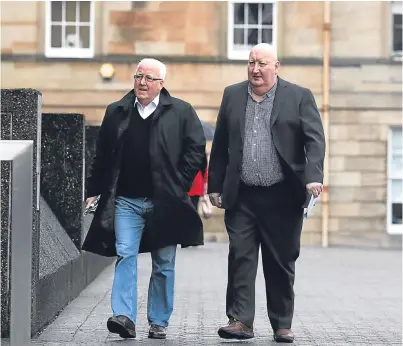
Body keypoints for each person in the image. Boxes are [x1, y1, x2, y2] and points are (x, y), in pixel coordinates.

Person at [208, 43, 325, 343]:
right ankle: (240, 322)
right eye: (251, 63)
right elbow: (220, 144)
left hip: (283, 196)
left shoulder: (299, 96)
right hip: (243, 195)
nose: (255, 69)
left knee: (281, 262)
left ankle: (282, 324)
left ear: (277, 66)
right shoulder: (232, 95)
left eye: (262, 63)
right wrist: (214, 185)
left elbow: (314, 142)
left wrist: (312, 178)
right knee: (241, 259)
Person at [82, 58, 206, 340]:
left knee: (164, 263)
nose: (142, 82)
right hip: (126, 200)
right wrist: (94, 189)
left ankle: (159, 320)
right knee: (125, 254)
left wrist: (179, 184)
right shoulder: (117, 111)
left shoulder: (181, 112)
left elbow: (196, 149)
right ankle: (124, 316)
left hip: (165, 201)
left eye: (149, 78)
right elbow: (102, 155)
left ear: (161, 83)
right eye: (138, 76)